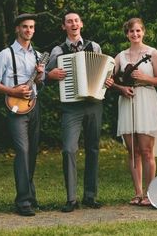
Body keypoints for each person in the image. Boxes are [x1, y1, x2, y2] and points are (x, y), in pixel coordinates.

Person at [46, 11, 113, 213]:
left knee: (93, 148)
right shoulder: (58, 50)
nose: (73, 24)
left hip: (94, 103)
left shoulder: (94, 46)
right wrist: (51, 75)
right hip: (71, 106)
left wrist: (107, 82)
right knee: (68, 149)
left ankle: (90, 196)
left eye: (76, 20)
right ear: (63, 26)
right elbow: (46, 76)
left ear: (81, 24)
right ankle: (71, 198)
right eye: (69, 21)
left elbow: (105, 71)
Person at [0, 13, 45, 216]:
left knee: (32, 152)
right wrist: (12, 91)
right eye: (24, 27)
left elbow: (40, 83)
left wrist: (39, 76)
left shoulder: (37, 55)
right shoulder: (5, 55)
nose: (28, 30)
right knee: (22, 151)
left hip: (34, 107)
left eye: (31, 27)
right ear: (17, 29)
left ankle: (30, 195)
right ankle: (23, 202)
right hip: (15, 109)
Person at [112, 18, 157, 206]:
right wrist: (121, 89)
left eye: (138, 31)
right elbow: (109, 80)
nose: (135, 34)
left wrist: (145, 77)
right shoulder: (120, 56)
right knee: (132, 151)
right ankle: (138, 193)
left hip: (147, 100)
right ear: (127, 34)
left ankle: (150, 194)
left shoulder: (153, 53)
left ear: (143, 32)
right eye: (131, 32)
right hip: (127, 101)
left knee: (146, 150)